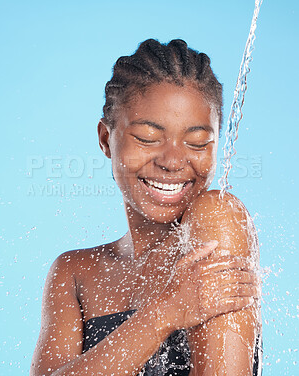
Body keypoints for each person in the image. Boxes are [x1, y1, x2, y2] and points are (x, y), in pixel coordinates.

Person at [30, 39, 262, 375]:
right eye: (148, 138)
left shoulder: (218, 223)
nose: (172, 161)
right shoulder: (73, 271)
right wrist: (165, 313)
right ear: (106, 139)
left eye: (197, 142)